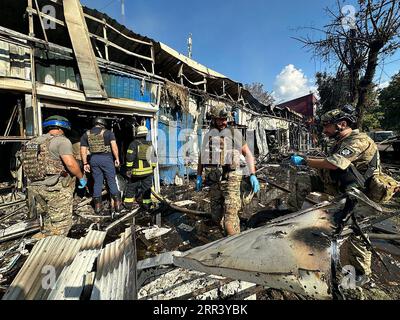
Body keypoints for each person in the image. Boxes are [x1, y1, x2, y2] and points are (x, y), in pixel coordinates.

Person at [288, 105, 381, 287]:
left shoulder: (359, 140)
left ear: (342, 124)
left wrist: (306, 161)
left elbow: (336, 163)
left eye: (327, 126)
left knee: (356, 231)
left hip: (360, 193)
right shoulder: (340, 142)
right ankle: (292, 219)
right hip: (341, 188)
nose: (324, 130)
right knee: (303, 181)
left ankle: (362, 273)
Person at [196, 102, 260, 236]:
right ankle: (225, 238)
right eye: (219, 119)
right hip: (214, 179)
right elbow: (202, 156)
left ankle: (235, 246)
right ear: (213, 119)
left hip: (231, 177)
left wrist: (252, 174)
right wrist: (198, 176)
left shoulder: (233, 133)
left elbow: (247, 153)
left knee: (229, 220)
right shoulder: (208, 135)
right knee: (216, 216)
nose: (223, 122)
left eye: (224, 119)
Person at [22, 115, 87, 238]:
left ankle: (46, 243)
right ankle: (57, 251)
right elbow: (70, 163)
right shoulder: (62, 141)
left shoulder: (32, 141)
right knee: (61, 225)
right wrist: (81, 177)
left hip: (35, 189)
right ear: (63, 127)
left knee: (47, 220)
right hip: (54, 189)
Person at [80, 117, 122, 214]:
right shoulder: (108, 133)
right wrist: (117, 158)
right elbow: (114, 146)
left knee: (97, 182)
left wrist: (85, 163)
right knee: (111, 181)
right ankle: (118, 205)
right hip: (106, 159)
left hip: (94, 160)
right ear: (103, 124)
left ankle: (98, 207)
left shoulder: (86, 134)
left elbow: (83, 150)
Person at [123, 125, 157, 210]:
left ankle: (128, 205)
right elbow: (154, 158)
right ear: (146, 134)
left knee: (131, 187)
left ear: (137, 134)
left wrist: (128, 169)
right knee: (146, 189)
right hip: (148, 172)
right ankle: (147, 205)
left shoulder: (133, 144)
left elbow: (129, 158)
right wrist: (152, 168)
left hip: (136, 173)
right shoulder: (150, 144)